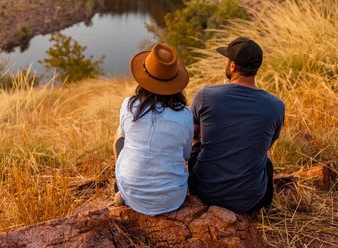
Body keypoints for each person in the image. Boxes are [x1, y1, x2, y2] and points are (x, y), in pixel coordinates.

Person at [188, 36, 285, 216]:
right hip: (250, 199)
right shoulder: (276, 106)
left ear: (232, 66)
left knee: (197, 136)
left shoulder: (205, 95)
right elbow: (267, 145)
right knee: (265, 151)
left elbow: (191, 135)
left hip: (204, 192)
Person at [114, 43, 193, 215]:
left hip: (132, 194)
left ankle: (120, 189)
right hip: (173, 198)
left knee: (119, 137)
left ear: (143, 78)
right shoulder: (185, 114)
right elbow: (186, 155)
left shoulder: (129, 105)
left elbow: (125, 139)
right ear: (174, 81)